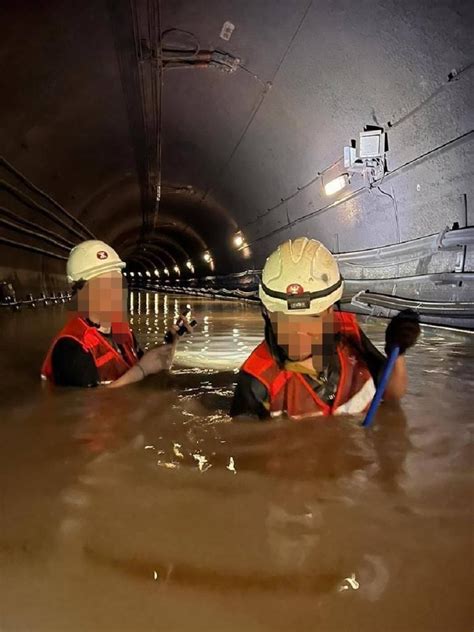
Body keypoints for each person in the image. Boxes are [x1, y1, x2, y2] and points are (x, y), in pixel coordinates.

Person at [230, 237, 420, 419]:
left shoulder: (349, 334)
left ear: (330, 312)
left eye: (310, 319)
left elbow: (392, 394)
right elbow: (244, 441)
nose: (297, 334)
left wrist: (397, 352)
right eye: (284, 320)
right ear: (269, 315)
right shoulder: (257, 378)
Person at [41, 240, 189, 388]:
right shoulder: (71, 348)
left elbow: (151, 372)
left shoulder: (121, 332)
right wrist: (142, 370)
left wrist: (172, 342)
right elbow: (82, 403)